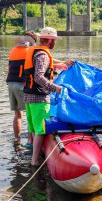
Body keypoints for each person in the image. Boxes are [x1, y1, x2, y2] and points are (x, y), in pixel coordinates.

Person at [23, 27, 74, 166]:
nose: (55, 43)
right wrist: (56, 88)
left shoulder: (36, 51)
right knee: (41, 130)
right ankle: (34, 162)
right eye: (54, 40)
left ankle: (35, 155)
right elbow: (39, 76)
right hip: (39, 98)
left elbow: (38, 70)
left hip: (28, 96)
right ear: (50, 41)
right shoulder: (43, 55)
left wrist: (58, 66)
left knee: (34, 128)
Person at [6, 31, 38, 144]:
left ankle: (17, 140)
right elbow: (42, 62)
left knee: (18, 114)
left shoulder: (13, 50)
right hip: (21, 85)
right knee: (31, 113)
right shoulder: (30, 50)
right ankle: (31, 141)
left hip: (10, 84)